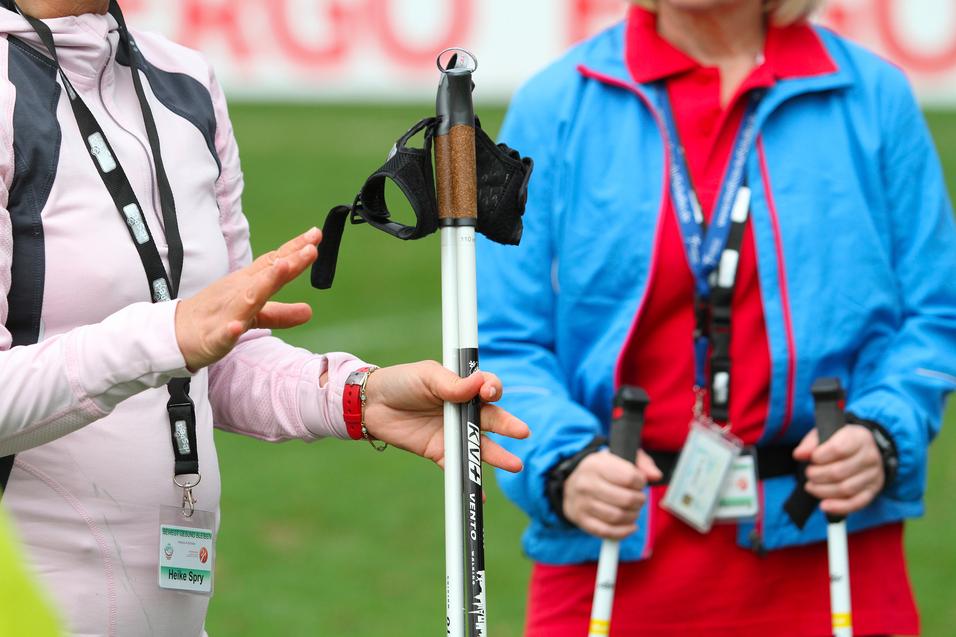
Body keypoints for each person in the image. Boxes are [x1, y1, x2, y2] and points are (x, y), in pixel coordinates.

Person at [0, 0, 529, 634]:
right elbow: (178, 338)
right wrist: (166, 335)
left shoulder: (184, 81)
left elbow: (218, 352)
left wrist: (357, 397)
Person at [478, 0, 956, 635]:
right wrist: (563, 463)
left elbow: (934, 313)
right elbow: (503, 340)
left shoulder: (872, 97)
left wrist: (882, 432)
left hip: (832, 539)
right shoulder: (557, 104)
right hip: (612, 550)